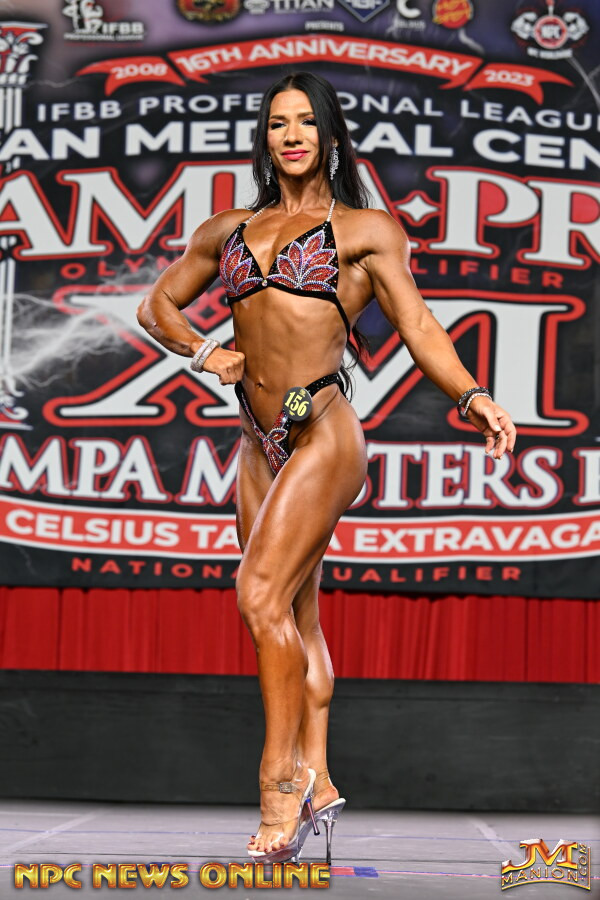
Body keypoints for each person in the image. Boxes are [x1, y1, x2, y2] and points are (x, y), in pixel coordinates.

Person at [137, 71, 517, 865]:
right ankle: (321, 777)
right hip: (258, 441)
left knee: (257, 594)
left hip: (323, 431)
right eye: (279, 123)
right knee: (293, 618)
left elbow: (418, 325)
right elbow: (156, 307)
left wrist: (473, 395)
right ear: (265, 138)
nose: (292, 135)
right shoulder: (228, 229)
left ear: (332, 137)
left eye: (307, 122)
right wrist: (206, 352)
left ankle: (280, 783)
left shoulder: (364, 229)